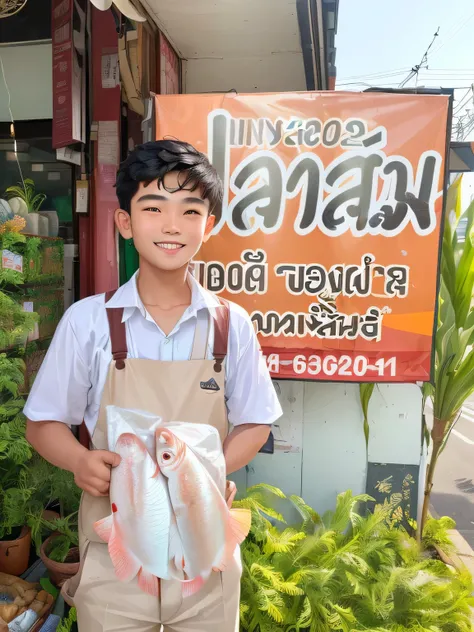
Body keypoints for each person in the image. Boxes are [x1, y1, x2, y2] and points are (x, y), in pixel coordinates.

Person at [24, 140, 283, 632]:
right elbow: (43, 424)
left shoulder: (232, 325)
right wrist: (80, 461)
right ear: (125, 223)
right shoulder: (88, 323)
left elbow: (255, 422)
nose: (171, 225)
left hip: (205, 552)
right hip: (116, 555)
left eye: (191, 210)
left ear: (209, 225)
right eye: (153, 208)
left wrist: (203, 472)